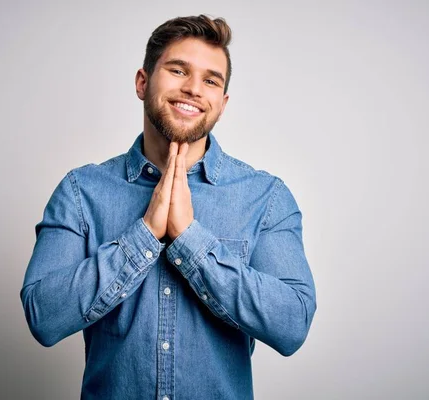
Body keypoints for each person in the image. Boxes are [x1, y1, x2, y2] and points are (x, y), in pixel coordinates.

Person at [21, 14, 316, 400]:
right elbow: (44, 316)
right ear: (143, 83)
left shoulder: (266, 197)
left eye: (211, 80)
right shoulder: (81, 192)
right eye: (178, 70)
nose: (194, 88)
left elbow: (292, 325)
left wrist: (190, 240)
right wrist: (143, 236)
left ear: (221, 104)